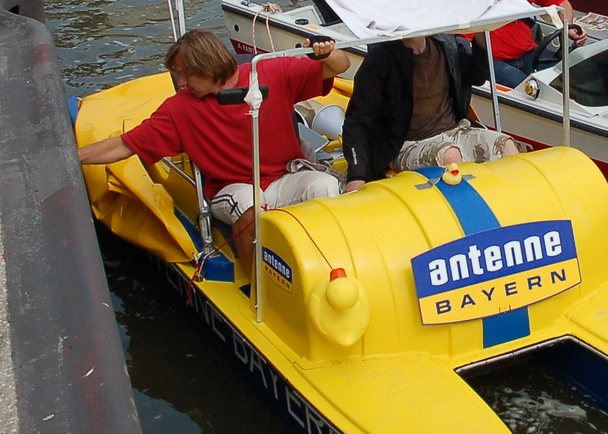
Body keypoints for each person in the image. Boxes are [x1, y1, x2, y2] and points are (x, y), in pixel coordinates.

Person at [76, 29, 353, 267]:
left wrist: (325, 51)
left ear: (206, 67)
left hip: (284, 177)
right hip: (232, 188)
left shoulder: (271, 72)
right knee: (250, 202)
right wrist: (72, 159)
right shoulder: (179, 109)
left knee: (325, 186)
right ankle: (260, 284)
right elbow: (124, 145)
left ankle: (334, 266)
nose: (181, 83)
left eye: (185, 75)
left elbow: (340, 64)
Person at [342, 32, 516, 192]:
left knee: (505, 144)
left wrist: (480, 39)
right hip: (405, 144)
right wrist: (357, 175)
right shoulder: (380, 57)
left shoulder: (446, 44)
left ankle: (514, 203)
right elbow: (357, 119)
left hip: (454, 131)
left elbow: (477, 76)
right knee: (450, 156)